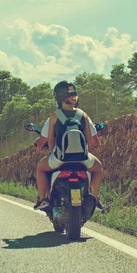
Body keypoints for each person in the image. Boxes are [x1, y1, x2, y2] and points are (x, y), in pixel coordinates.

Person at [33, 81, 104, 211]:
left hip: (60, 158)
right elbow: (91, 141)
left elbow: (50, 140)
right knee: (98, 168)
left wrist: (52, 152)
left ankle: (43, 199)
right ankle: (95, 198)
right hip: (82, 158)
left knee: (40, 168)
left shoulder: (54, 116)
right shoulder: (83, 115)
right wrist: (86, 151)